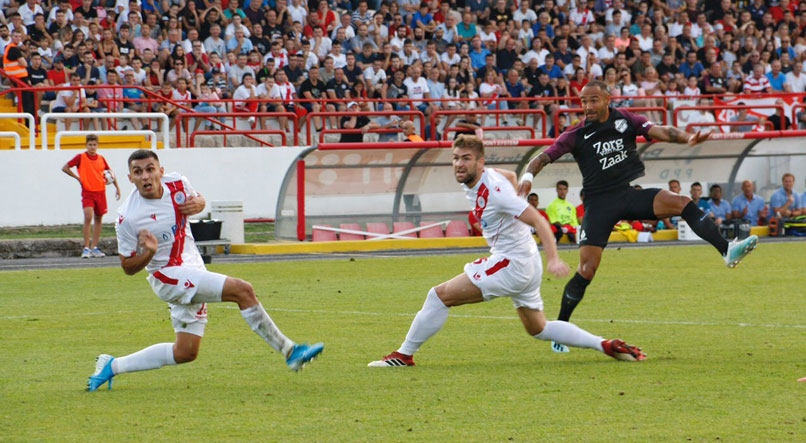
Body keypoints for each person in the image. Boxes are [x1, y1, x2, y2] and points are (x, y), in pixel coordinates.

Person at [516, 81, 759, 351]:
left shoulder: (626, 120)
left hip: (627, 194)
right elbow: (542, 157)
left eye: (593, 100)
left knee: (681, 202)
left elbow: (661, 130)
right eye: (583, 101)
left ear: (608, 99)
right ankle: (561, 331)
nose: (587, 107)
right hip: (598, 205)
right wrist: (527, 177)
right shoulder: (576, 134)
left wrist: (687, 138)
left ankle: (727, 251)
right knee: (587, 269)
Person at [368, 135, 646, 368]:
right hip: (524, 262)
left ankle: (403, 356)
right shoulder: (490, 177)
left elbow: (538, 220)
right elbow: (512, 175)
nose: (459, 164)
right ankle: (605, 345)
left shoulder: (495, 190)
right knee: (540, 329)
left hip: (512, 263)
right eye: (455, 158)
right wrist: (519, 186)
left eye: (465, 158)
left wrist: (555, 258)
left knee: (438, 296)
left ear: (480, 161)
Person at [87, 150, 324, 392]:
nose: (145, 176)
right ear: (130, 178)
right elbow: (127, 267)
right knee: (242, 290)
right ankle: (290, 351)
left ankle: (112, 365)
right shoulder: (128, 217)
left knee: (186, 352)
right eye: (138, 172)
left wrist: (199, 203)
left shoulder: (177, 182)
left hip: (192, 268)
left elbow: (198, 199)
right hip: (167, 276)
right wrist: (147, 253)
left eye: (150, 169)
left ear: (161, 170)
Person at [61, 134, 121, 259]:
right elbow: (65, 168)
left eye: (94, 145)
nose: (92, 147)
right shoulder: (81, 157)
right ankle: (86, 248)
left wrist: (117, 187)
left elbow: (110, 173)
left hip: (100, 191)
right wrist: (78, 178)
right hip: (88, 191)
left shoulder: (101, 158)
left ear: (97, 145)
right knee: (88, 216)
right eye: (90, 145)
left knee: (98, 219)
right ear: (86, 145)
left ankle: (95, 247)